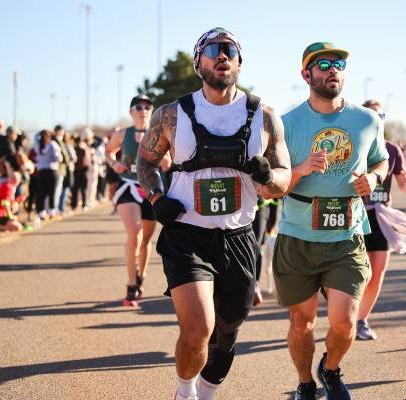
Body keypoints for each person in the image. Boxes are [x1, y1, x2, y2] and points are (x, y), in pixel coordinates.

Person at [136, 27, 291, 400]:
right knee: (198, 329)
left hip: (239, 238)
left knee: (227, 331)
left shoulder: (265, 116)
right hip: (187, 235)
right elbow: (146, 161)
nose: (222, 55)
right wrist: (157, 198)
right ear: (198, 63)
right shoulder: (171, 114)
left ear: (239, 63)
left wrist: (268, 176)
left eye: (230, 50)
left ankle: (205, 391)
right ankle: (185, 390)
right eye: (213, 50)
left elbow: (283, 180)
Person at [273, 42, 389, 400]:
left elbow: (381, 160)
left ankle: (331, 369)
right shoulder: (286, 124)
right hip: (298, 236)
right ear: (306, 74)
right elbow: (272, 189)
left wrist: (375, 178)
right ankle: (305, 384)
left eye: (338, 63)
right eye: (323, 64)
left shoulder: (367, 120)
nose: (332, 69)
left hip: (346, 235)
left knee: (345, 321)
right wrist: (301, 169)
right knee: (301, 323)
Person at [356, 100, 406, 341]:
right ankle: (347, 316)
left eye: (380, 115)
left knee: (378, 273)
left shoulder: (392, 150)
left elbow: (402, 181)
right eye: (371, 115)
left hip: (381, 216)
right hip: (358, 215)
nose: (376, 119)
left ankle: (361, 320)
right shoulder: (355, 145)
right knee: (361, 274)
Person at [105, 94, 165, 307]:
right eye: (138, 107)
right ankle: (131, 285)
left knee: (146, 239)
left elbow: (169, 164)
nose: (143, 110)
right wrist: (114, 164)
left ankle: (141, 276)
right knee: (134, 233)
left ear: (152, 111)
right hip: (128, 186)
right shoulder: (123, 134)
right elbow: (109, 151)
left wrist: (164, 158)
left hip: (151, 189)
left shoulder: (159, 133)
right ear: (131, 112)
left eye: (147, 107)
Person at [34, 130, 62, 221]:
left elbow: (35, 137)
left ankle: (42, 212)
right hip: (51, 170)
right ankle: (51, 212)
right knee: (51, 192)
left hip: (41, 171)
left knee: (42, 193)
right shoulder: (53, 144)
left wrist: (41, 133)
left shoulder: (38, 146)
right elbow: (59, 158)